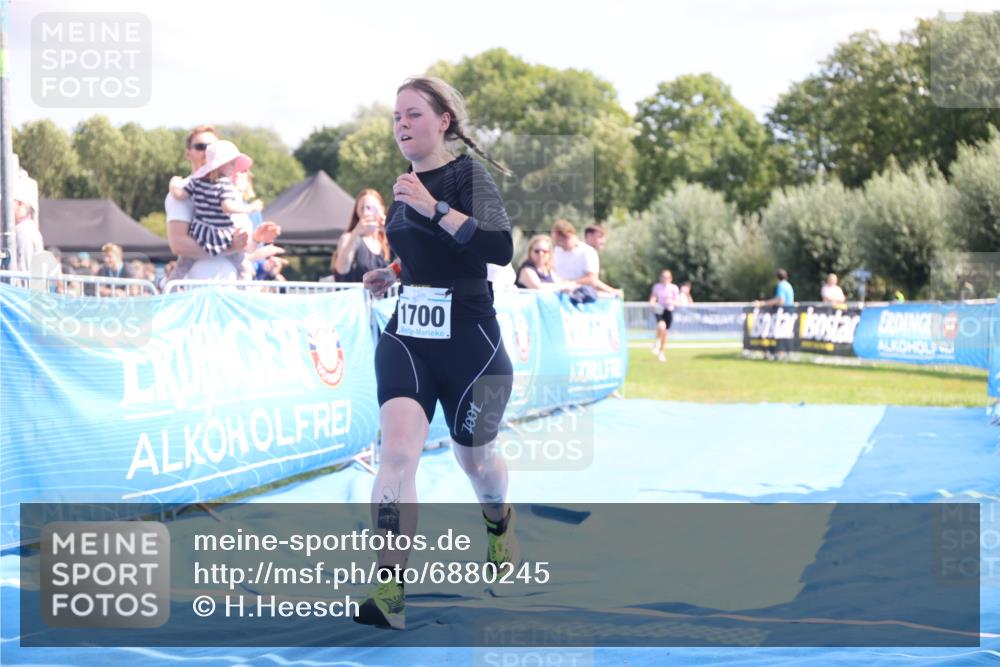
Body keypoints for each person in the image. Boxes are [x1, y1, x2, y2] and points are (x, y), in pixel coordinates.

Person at [357, 76, 516, 631]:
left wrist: (432, 208)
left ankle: (498, 525)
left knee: (476, 460)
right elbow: (424, 256)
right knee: (396, 455)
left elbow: (499, 248)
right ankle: (390, 588)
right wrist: (391, 272)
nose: (402, 125)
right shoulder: (400, 182)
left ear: (444, 120)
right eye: (396, 117)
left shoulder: (470, 176)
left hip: (474, 341)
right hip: (409, 336)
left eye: (413, 114)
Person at [168, 140, 260, 281]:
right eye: (232, 163)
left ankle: (170, 289)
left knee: (182, 266)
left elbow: (179, 195)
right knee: (244, 266)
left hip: (200, 232)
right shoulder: (225, 185)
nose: (234, 167)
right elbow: (226, 206)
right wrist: (250, 208)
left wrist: (173, 184)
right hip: (221, 234)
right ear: (221, 164)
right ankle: (243, 291)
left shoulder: (196, 182)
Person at [551, 219, 622, 297]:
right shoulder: (557, 250)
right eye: (557, 242)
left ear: (569, 234)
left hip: (581, 296)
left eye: (561, 241)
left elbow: (592, 279)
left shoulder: (587, 252)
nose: (560, 245)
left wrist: (568, 283)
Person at [332, 189, 391, 283]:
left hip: (387, 297)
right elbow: (341, 269)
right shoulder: (349, 238)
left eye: (370, 207)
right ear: (357, 212)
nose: (365, 212)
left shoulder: (388, 239)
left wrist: (389, 228)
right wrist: (356, 232)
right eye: (361, 208)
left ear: (381, 209)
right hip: (356, 296)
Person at [649, 269, 679, 362]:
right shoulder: (657, 287)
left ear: (670, 278)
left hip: (669, 310)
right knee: (661, 326)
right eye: (663, 277)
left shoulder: (674, 288)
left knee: (665, 333)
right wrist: (652, 303)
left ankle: (661, 352)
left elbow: (677, 302)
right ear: (661, 278)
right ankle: (657, 341)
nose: (665, 279)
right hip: (660, 309)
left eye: (667, 277)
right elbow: (653, 297)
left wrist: (672, 302)